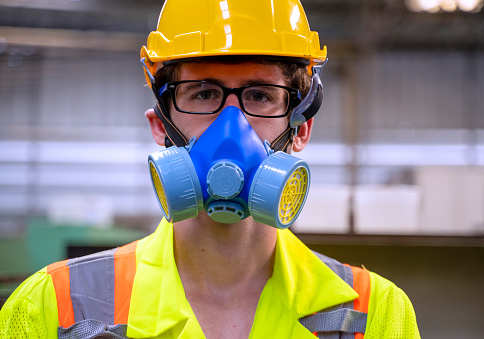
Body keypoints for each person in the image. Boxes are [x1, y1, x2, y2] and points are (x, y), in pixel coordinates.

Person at [0, 0, 420, 338]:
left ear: (301, 128)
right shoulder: (53, 308)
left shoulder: (374, 315)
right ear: (160, 127)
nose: (231, 127)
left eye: (259, 95)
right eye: (203, 93)